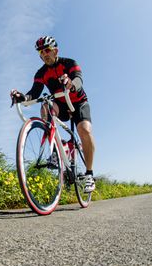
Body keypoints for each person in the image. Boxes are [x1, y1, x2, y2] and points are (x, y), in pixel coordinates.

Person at [10, 36, 96, 193]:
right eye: (41, 52)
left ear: (55, 50)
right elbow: (34, 92)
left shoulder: (69, 63)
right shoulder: (41, 72)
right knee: (45, 105)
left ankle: (89, 174)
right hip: (61, 105)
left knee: (84, 130)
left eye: (47, 50)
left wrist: (70, 83)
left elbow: (78, 80)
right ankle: (56, 148)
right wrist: (23, 98)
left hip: (77, 103)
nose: (44, 55)